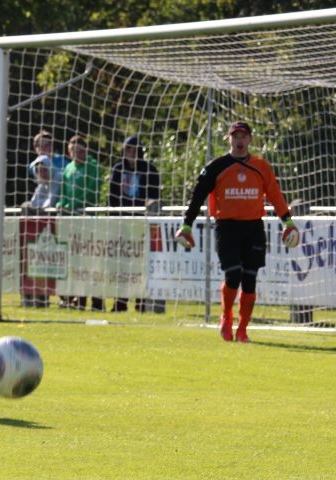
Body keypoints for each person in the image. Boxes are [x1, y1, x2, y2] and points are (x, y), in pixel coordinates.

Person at [174, 121, 300, 342]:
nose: (239, 140)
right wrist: (186, 225)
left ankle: (242, 329)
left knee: (250, 278)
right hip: (227, 227)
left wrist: (287, 222)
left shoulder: (261, 166)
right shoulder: (217, 166)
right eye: (235, 136)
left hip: (253, 227)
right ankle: (226, 317)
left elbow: (275, 194)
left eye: (243, 136)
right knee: (233, 275)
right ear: (229, 139)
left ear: (250, 139)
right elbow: (198, 195)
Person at [108, 135, 164, 313]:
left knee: (141, 263)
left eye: (132, 149)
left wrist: (148, 207)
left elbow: (155, 196)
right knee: (121, 263)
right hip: (123, 222)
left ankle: (141, 302)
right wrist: (115, 217)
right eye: (127, 149)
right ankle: (120, 302)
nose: (129, 152)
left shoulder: (150, 170)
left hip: (142, 222)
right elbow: (112, 196)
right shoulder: (118, 169)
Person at [56, 134, 101, 309]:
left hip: (87, 220)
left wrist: (73, 205)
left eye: (80, 151)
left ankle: (97, 302)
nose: (76, 154)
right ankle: (77, 300)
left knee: (90, 261)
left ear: (85, 150)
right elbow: (63, 192)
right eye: (72, 151)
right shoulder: (68, 168)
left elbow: (92, 191)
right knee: (73, 261)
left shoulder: (92, 167)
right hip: (71, 220)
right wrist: (61, 204)